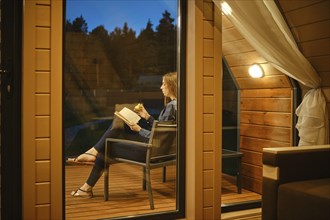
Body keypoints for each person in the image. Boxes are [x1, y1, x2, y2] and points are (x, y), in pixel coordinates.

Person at [70, 72, 177, 197]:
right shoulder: (179, 105)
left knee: (106, 147)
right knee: (120, 124)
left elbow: (158, 136)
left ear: (172, 85)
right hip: (162, 151)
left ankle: (87, 181)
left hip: (150, 151)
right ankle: (90, 163)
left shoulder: (170, 106)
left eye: (164, 84)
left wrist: (139, 129)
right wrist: (147, 116)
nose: (161, 87)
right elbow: (164, 132)